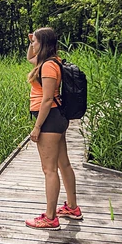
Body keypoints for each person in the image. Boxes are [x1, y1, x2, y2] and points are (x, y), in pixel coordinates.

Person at [25, 27, 82, 230]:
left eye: (35, 41)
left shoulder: (48, 66)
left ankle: (50, 218)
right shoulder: (50, 62)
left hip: (49, 119)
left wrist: (37, 127)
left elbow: (47, 99)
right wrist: (32, 39)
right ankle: (72, 208)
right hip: (56, 118)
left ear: (44, 43)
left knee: (49, 170)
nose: (32, 44)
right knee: (63, 164)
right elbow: (30, 57)